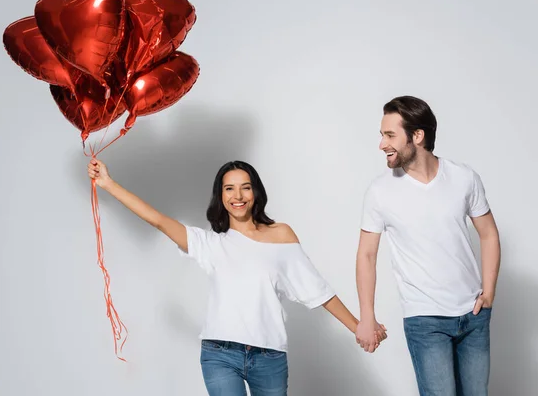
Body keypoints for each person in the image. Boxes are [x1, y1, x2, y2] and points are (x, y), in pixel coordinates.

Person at [88, 159, 386, 396]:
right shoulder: (211, 243)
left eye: (245, 187)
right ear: (220, 195)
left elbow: (317, 290)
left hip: (270, 358)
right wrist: (107, 183)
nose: (238, 196)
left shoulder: (281, 235)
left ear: (256, 192)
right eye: (229, 189)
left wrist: (359, 327)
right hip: (220, 355)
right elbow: (158, 220)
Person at [355, 96, 501, 396]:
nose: (382, 144)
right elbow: (367, 255)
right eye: (382, 135)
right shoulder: (380, 191)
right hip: (425, 319)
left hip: (473, 317)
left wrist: (488, 293)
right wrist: (366, 316)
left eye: (390, 135)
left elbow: (488, 233)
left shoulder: (464, 178)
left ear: (417, 136)